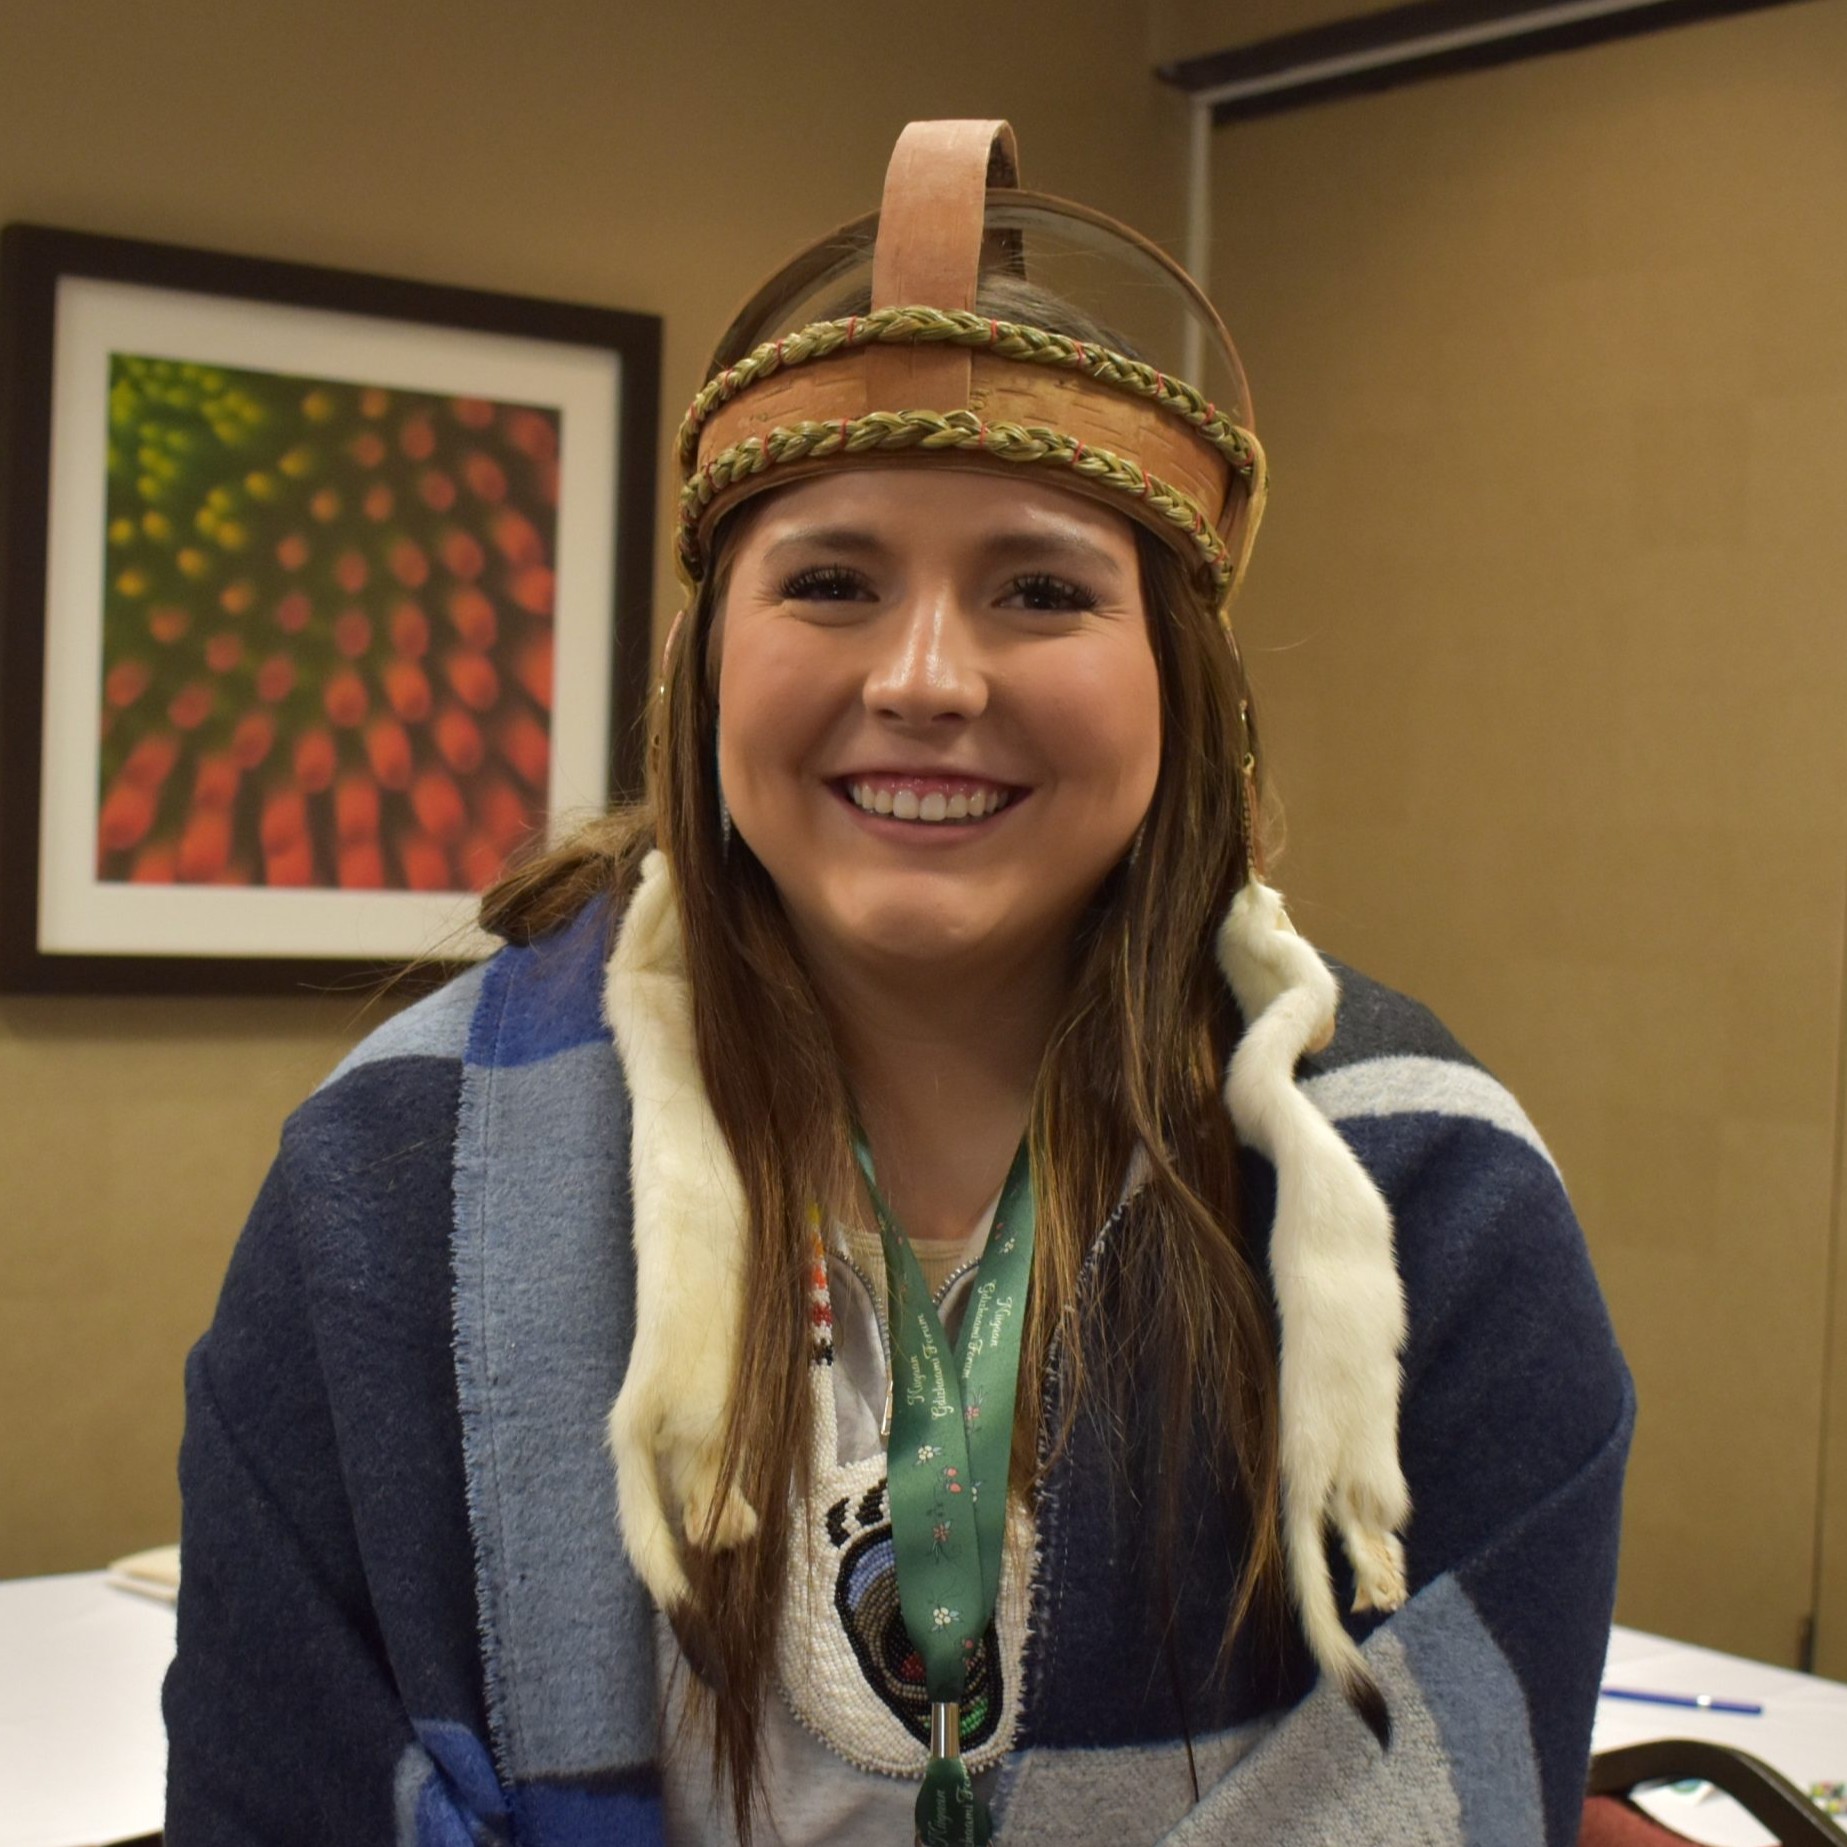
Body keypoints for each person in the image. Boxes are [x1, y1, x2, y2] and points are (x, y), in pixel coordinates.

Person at [163, 120, 1632, 1847]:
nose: (928, 678)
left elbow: (1456, 1792)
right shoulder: (392, 1191)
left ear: (1182, 685)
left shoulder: (1425, 1197)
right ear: (710, 665)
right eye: (833, 583)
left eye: (1040, 589)